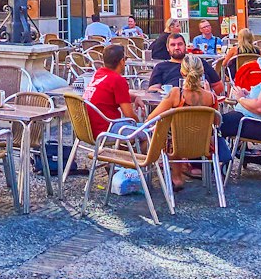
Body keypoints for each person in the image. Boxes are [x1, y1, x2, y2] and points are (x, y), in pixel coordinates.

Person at [146, 53, 221, 184]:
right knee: (177, 132)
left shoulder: (176, 93)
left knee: (168, 132)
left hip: (177, 144)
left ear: (182, 71)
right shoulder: (211, 97)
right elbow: (217, 123)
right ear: (202, 72)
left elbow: (151, 118)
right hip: (203, 144)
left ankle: (176, 177)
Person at [83, 42, 136, 136]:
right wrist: (142, 125)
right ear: (122, 61)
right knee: (148, 131)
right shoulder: (117, 80)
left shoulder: (98, 73)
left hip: (88, 129)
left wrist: (135, 98)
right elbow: (130, 116)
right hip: (107, 129)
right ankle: (135, 150)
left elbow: (111, 95)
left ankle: (125, 150)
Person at [147, 32, 221, 96]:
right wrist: (166, 93)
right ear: (167, 48)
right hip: (172, 108)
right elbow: (153, 89)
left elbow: (218, 85)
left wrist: (209, 95)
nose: (177, 47)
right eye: (173, 45)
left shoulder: (199, 62)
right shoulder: (161, 67)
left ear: (185, 46)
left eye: (180, 44)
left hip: (201, 106)